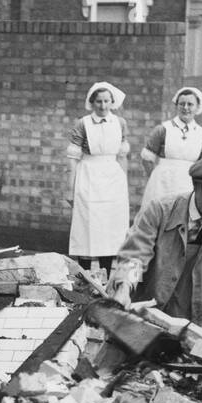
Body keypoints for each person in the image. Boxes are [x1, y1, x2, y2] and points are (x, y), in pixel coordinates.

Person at [107, 154, 202, 324]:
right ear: (196, 185)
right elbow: (136, 257)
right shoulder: (159, 211)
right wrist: (124, 287)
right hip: (143, 315)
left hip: (188, 322)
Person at [67, 82, 130, 273]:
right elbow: (72, 159)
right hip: (89, 176)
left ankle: (107, 275)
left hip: (113, 178)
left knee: (111, 229)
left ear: (112, 102)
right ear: (92, 103)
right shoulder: (83, 123)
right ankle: (84, 276)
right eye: (99, 101)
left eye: (106, 101)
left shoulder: (119, 123)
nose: (103, 106)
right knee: (87, 226)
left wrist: (124, 185)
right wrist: (69, 189)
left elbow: (122, 157)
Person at [141, 87, 202, 206]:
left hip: (189, 182)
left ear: (197, 107)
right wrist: (156, 177)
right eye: (182, 104)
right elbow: (147, 159)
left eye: (190, 104)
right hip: (162, 183)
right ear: (176, 106)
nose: (185, 108)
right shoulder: (162, 129)